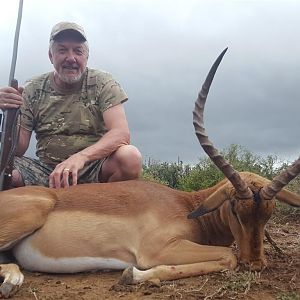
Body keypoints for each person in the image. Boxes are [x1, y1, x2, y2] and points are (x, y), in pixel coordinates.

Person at [0, 21, 142, 189]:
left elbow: (121, 134)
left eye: (78, 51)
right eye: (62, 50)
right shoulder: (32, 88)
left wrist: (80, 157)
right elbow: (18, 149)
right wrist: (11, 112)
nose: (71, 58)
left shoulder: (103, 82)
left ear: (86, 56)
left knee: (130, 157)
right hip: (45, 170)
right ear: (51, 55)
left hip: (93, 167)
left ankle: (107, 208)